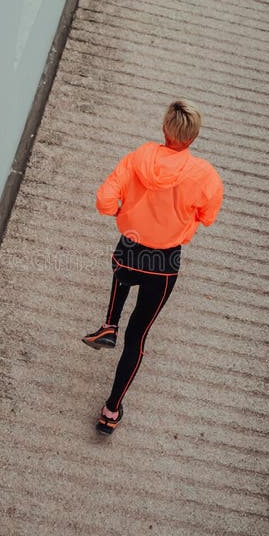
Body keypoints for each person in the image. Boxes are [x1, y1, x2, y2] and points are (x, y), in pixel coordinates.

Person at [83, 101, 223, 434]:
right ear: (193, 137)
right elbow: (208, 216)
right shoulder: (204, 174)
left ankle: (109, 324)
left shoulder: (139, 158)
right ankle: (111, 411)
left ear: (164, 129)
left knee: (122, 268)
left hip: (131, 247)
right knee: (138, 337)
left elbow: (104, 200)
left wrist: (119, 213)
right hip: (163, 264)